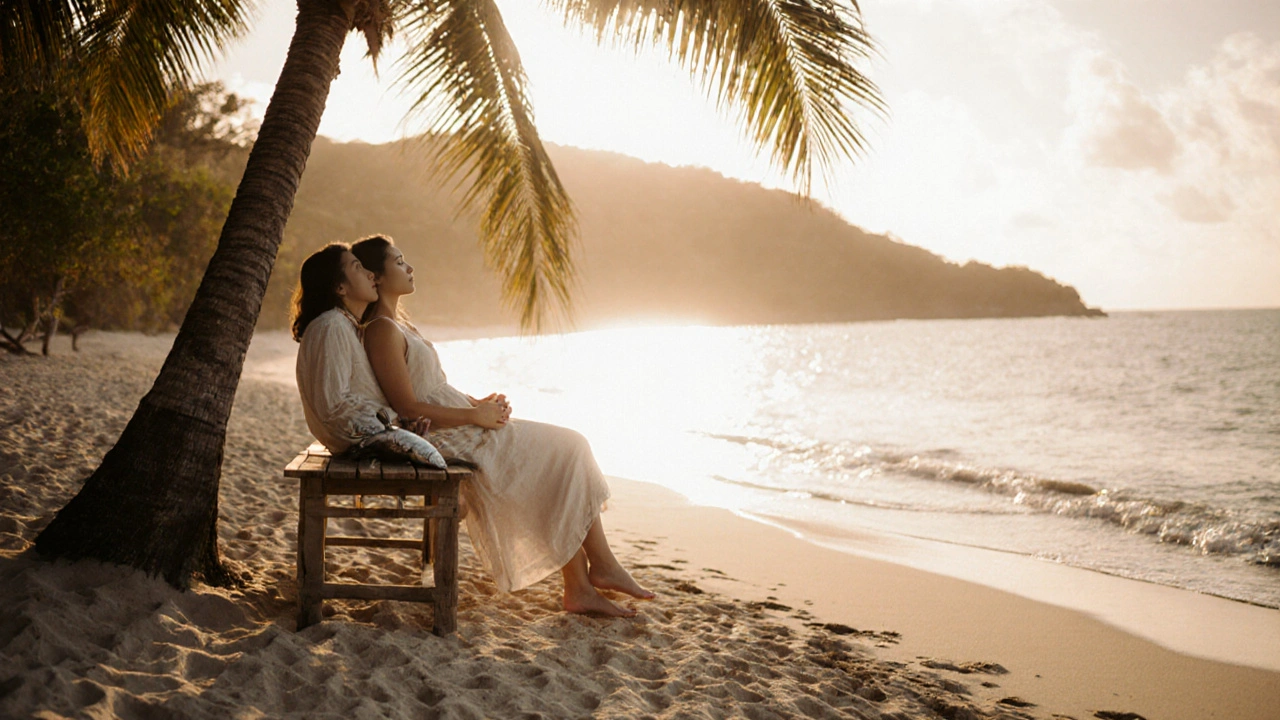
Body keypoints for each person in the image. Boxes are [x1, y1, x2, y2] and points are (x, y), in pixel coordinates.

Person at [351, 235, 653, 617]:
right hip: (447, 438)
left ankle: (583, 583)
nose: (409, 267)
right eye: (398, 261)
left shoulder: (399, 324)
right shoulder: (381, 329)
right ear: (376, 277)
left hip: (461, 423)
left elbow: (430, 389)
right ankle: (596, 571)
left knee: (565, 455)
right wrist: (474, 417)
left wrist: (477, 402)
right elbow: (406, 405)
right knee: (570, 449)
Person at [292, 243, 394, 454]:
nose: (371, 275)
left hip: (367, 437)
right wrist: (396, 423)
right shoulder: (331, 325)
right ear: (340, 287)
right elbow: (334, 406)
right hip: (358, 441)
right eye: (358, 267)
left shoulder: (343, 325)